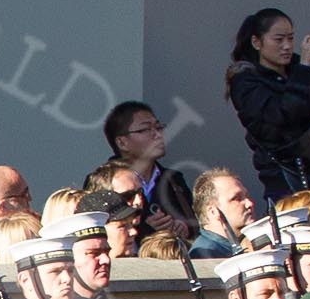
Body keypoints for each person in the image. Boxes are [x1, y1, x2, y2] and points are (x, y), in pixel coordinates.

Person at [226, 7, 310, 202]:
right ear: (257, 42)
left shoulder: (299, 69)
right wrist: (306, 69)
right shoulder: (245, 81)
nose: (287, 46)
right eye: (278, 39)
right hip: (286, 181)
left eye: (291, 39)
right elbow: (284, 116)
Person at [103, 101, 194, 239]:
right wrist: (146, 230)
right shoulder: (104, 182)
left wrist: (183, 229)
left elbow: (195, 226)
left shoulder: (174, 180)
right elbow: (99, 235)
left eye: (158, 127)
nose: (157, 135)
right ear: (122, 142)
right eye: (145, 130)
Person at [189, 168, 255, 259]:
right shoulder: (205, 254)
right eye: (237, 198)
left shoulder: (243, 246)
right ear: (213, 211)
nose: (250, 204)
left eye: (247, 196)